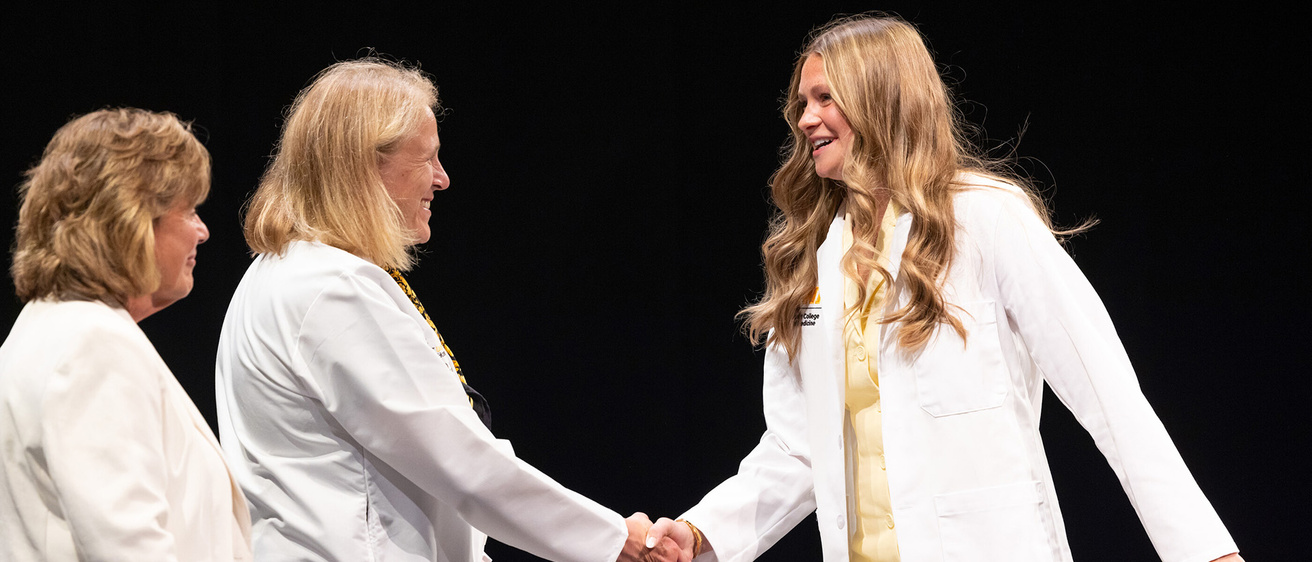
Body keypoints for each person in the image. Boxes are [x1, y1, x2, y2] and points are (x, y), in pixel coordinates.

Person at [645, 15, 1242, 562]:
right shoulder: (814, 263)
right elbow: (799, 450)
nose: (805, 119)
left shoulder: (986, 220)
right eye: (803, 101)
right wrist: (703, 532)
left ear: (881, 99)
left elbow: (1107, 394)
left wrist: (1204, 551)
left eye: (825, 97)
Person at [215, 57, 678, 562]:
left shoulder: (286, 274)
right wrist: (615, 540)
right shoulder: (330, 288)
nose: (442, 179)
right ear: (366, 164)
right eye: (428, 158)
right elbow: (459, 461)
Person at [0, 108, 251, 561]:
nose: (203, 230)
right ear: (133, 220)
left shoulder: (46, 325)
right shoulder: (93, 346)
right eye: (190, 210)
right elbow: (130, 547)